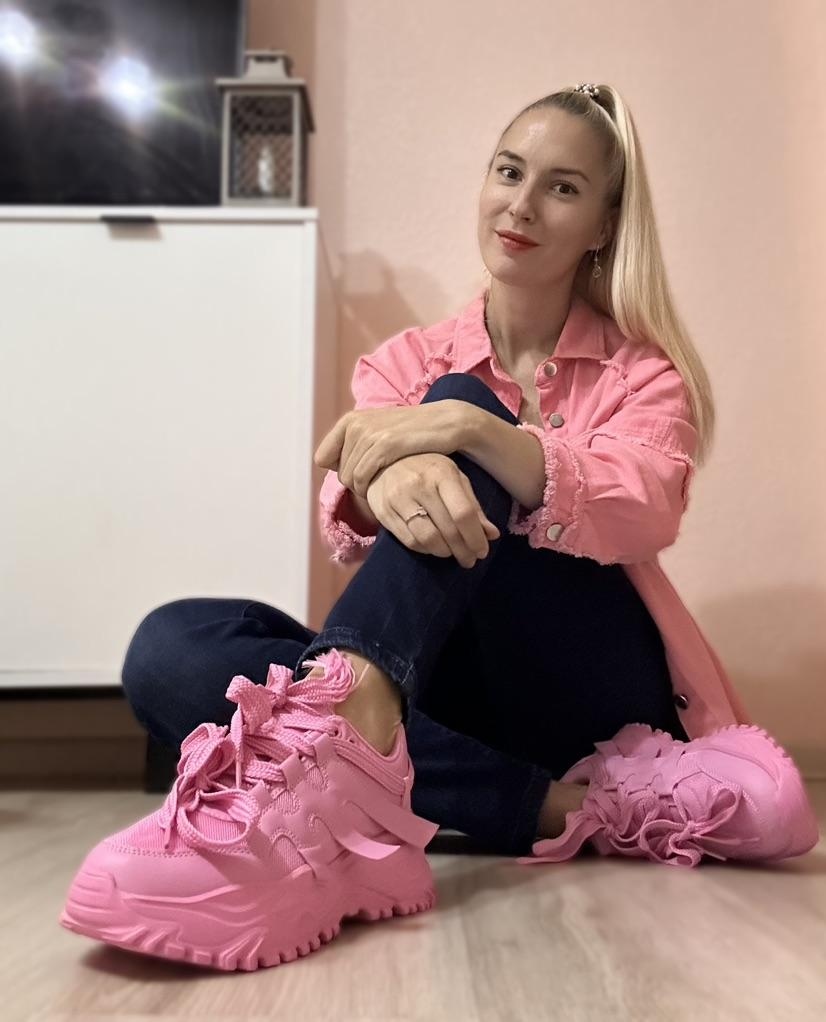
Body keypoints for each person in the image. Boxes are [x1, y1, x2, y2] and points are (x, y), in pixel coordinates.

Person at [60, 83, 819, 971]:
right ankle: (529, 803)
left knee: (463, 408)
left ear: (603, 225)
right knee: (172, 647)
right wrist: (393, 476)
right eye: (509, 172)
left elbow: (644, 506)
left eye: (562, 188)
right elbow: (349, 525)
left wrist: (469, 428)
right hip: (439, 698)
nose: (521, 205)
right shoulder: (403, 363)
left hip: (587, 693)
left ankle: (343, 775)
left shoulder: (642, 374)